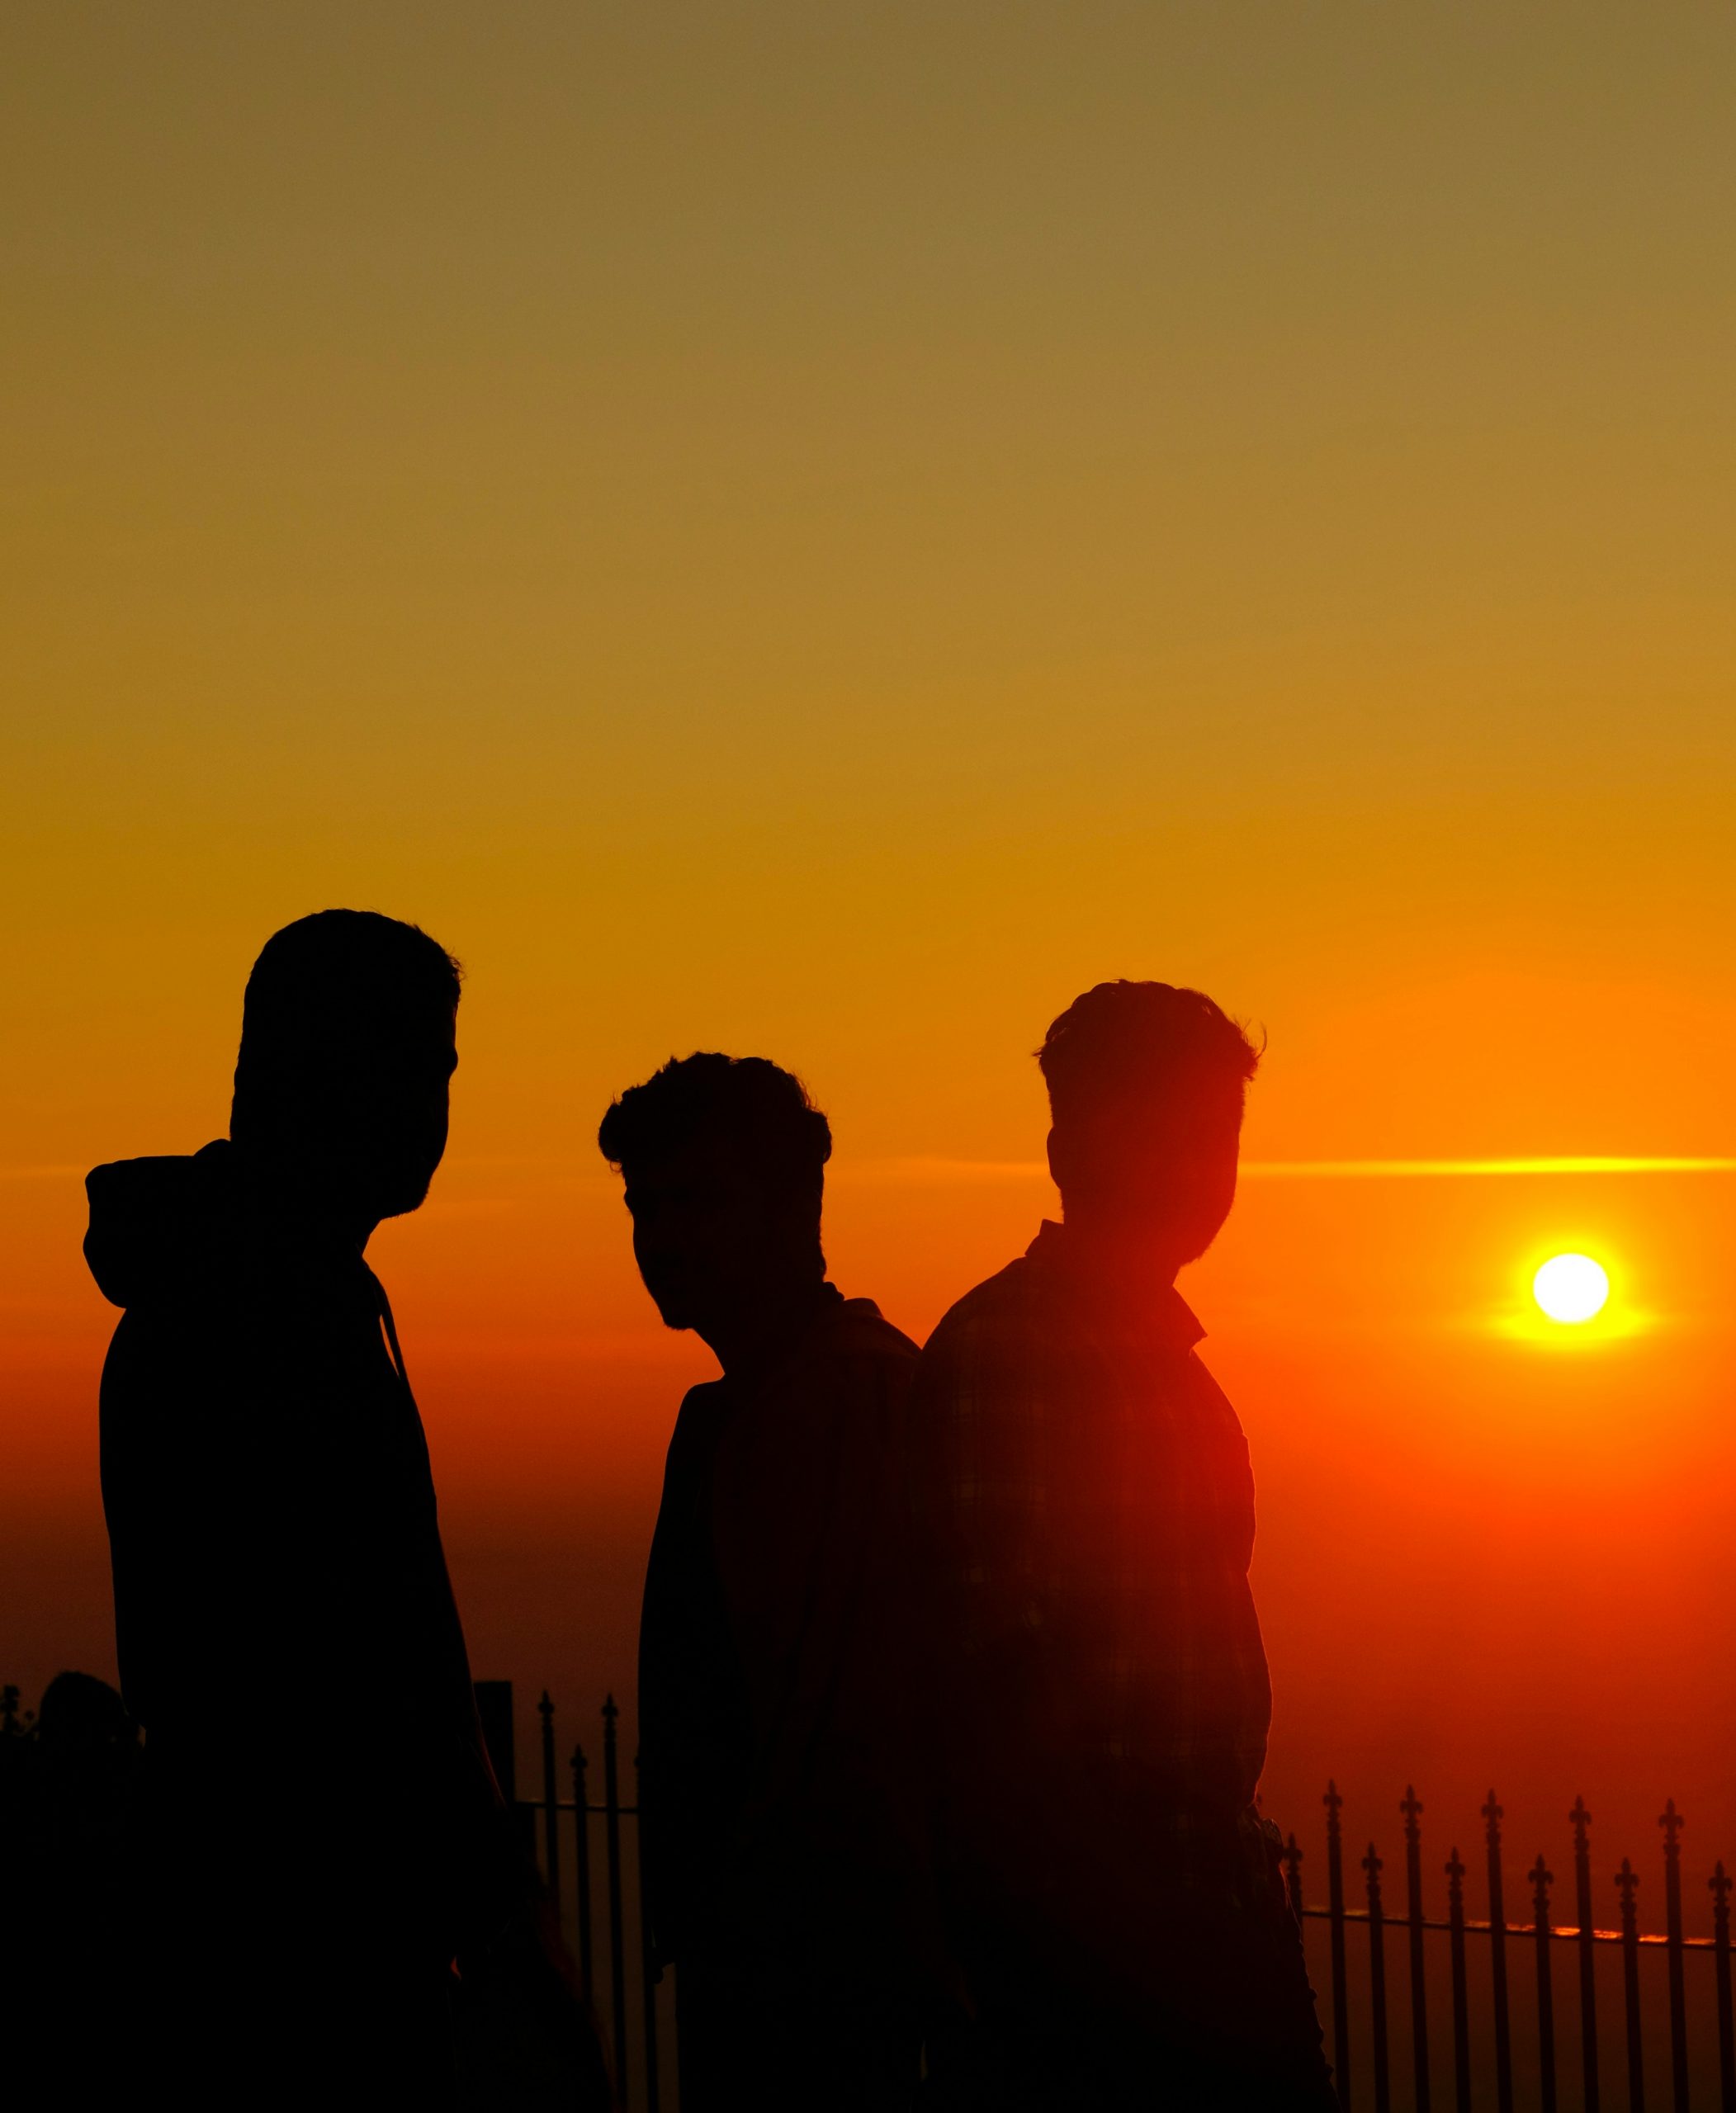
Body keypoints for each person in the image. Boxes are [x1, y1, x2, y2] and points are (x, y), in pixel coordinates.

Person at [86, 910, 605, 2110]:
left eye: (443, 1073)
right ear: (314, 1072)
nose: (432, 1108)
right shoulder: (271, 1319)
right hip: (297, 1961)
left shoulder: (247, 1291)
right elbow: (362, 1671)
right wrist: (506, 1924)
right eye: (415, 1066)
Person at [906, 981, 1333, 2111]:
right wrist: (1142, 1945)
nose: (1201, 1167)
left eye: (1218, 1134)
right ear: (1068, 1143)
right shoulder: (1017, 1353)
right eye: (1168, 1128)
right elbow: (996, 1690)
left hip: (1195, 1907)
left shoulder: (1160, 1362)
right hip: (1111, 1960)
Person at [599, 1053, 931, 2111]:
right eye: (645, 1207)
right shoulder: (744, 1411)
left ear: (799, 1205)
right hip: (763, 1956)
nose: (663, 1238)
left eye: (697, 1200)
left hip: (820, 1971)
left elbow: (845, 1714)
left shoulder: (850, 1401)